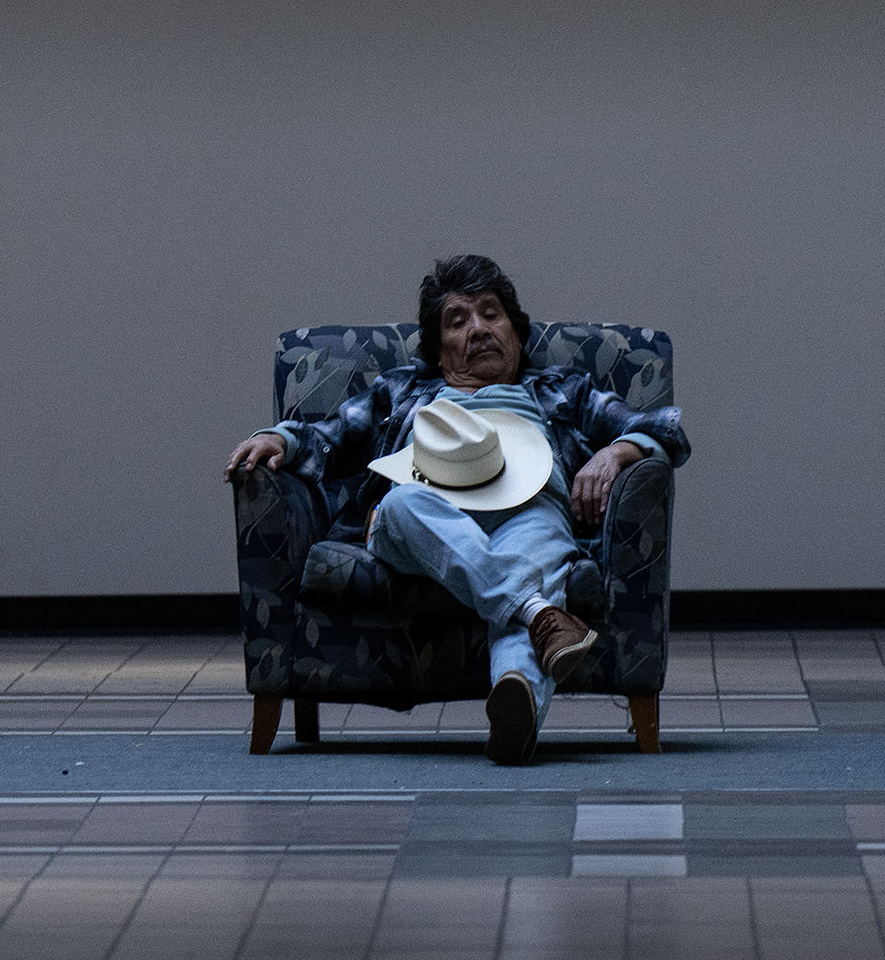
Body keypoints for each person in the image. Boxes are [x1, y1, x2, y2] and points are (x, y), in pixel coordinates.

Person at [223, 254, 690, 764]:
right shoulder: (404, 390)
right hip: (426, 516)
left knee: (533, 550)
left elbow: (665, 429)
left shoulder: (560, 390)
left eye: (492, 314)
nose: (480, 329)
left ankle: (518, 705)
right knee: (399, 504)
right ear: (439, 351)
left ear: (516, 332)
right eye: (458, 320)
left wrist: (615, 452)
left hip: (531, 511)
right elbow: (329, 438)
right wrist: (278, 437)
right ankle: (541, 613)